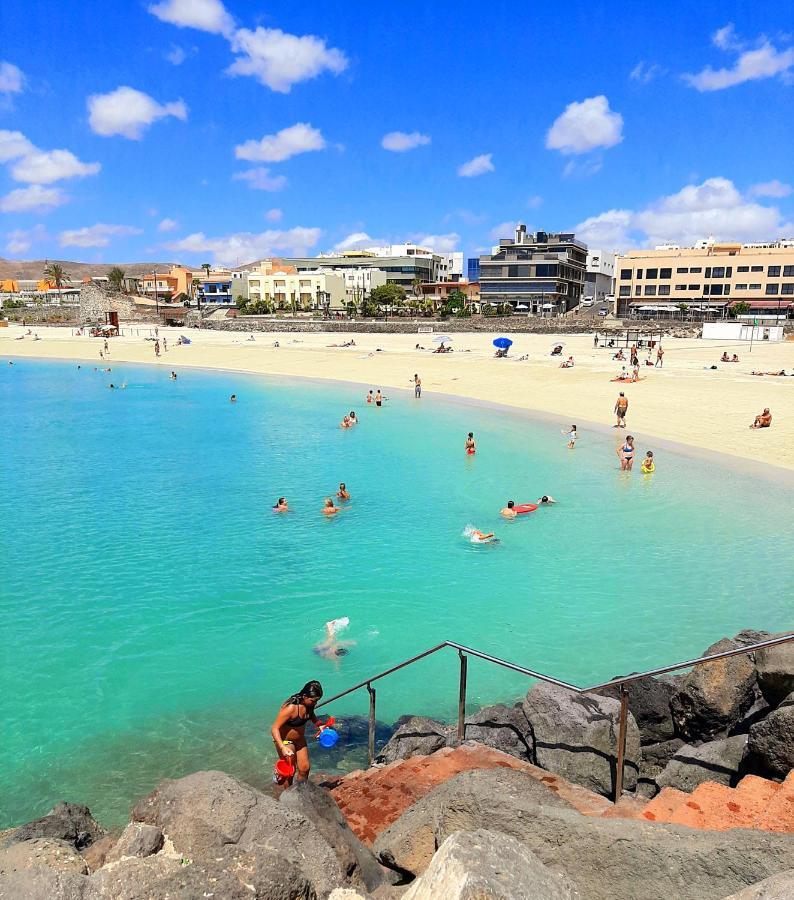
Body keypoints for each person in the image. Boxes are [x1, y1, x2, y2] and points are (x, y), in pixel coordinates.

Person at [270, 680, 326, 785]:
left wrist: (319, 724)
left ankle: (300, 791)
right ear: (305, 697)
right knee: (290, 772)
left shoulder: (309, 705)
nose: (315, 703)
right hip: (286, 742)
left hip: (300, 740)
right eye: (313, 700)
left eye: (317, 700)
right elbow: (274, 728)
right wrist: (282, 747)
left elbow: (311, 714)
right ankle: (288, 794)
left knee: (305, 769)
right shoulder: (291, 708)